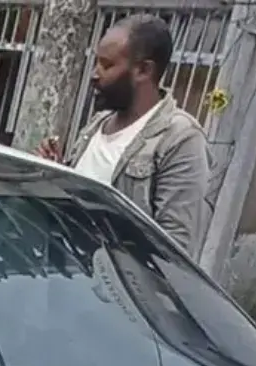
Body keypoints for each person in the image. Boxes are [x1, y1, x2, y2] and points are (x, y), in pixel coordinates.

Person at [37, 15, 210, 258]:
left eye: (107, 65)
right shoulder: (97, 125)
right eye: (96, 63)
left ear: (143, 70)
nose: (95, 75)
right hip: (63, 274)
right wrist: (57, 173)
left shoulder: (180, 138)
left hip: (114, 290)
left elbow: (176, 247)